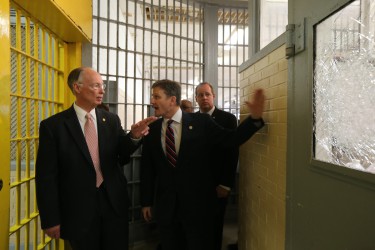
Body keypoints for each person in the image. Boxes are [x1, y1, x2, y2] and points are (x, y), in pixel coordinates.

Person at [35, 67, 157, 250]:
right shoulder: (53, 127)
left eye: (103, 86)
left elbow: (120, 156)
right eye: (96, 86)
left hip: (113, 206)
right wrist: (50, 219)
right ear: (77, 88)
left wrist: (134, 136)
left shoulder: (111, 120)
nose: (102, 91)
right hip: (77, 211)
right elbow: (46, 177)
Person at [140, 79, 265, 250]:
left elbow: (230, 139)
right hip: (167, 209)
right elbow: (148, 168)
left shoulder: (201, 122)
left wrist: (254, 119)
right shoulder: (151, 130)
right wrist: (146, 201)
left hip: (198, 208)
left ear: (172, 99)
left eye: (156, 96)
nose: (152, 101)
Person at [195, 82, 239, 250]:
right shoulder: (192, 119)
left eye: (207, 94)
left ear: (214, 96)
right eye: (200, 95)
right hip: (196, 184)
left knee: (215, 224)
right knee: (197, 226)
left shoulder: (227, 119)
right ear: (196, 99)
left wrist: (226, 183)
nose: (204, 97)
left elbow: (232, 153)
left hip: (218, 184)